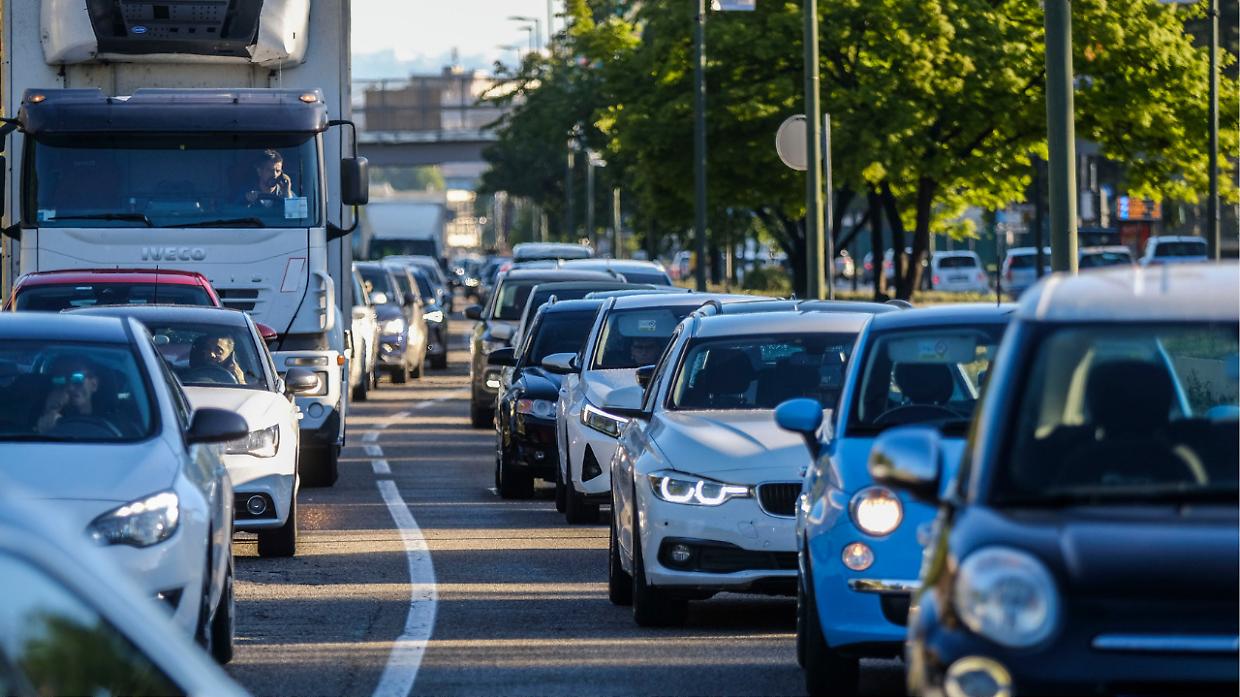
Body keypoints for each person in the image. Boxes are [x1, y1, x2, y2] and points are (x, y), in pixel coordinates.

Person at [36, 357, 104, 434]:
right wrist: (50, 410)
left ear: (94, 384)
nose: (69, 387)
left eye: (77, 378)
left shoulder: (114, 421)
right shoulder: (31, 417)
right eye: (60, 379)